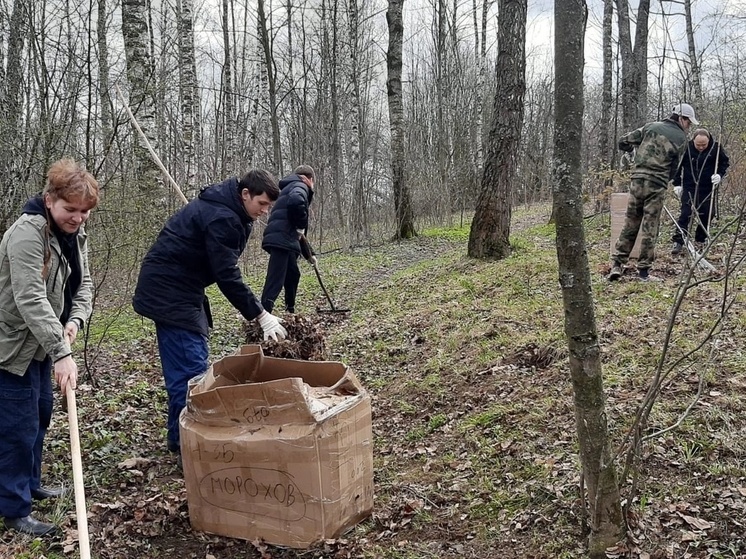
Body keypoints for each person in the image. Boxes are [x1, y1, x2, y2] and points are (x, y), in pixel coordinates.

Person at [132, 170, 287, 458]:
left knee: (192, 368)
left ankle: (180, 439)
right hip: (169, 290)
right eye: (262, 204)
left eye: (269, 207)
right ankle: (188, 449)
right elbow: (226, 273)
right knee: (191, 373)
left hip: (182, 286)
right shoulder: (223, 217)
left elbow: (221, 262)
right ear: (245, 195)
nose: (265, 212)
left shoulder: (229, 210)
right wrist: (259, 314)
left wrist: (249, 307)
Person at [0, 159, 99, 536]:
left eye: (85, 211)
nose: (78, 218)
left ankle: (31, 483)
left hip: (43, 344)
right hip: (11, 347)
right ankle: (14, 508)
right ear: (49, 200)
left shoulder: (75, 235)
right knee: (16, 428)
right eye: (70, 209)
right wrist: (63, 353)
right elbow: (30, 298)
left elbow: (84, 284)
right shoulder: (29, 233)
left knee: (39, 416)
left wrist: (73, 322)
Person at [608, 103, 696, 282]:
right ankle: (643, 272)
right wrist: (667, 180)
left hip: (637, 180)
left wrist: (632, 153)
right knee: (650, 225)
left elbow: (623, 141)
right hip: (657, 183)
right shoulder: (680, 138)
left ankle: (617, 264)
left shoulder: (650, 127)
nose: (689, 127)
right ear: (682, 118)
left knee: (631, 221)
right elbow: (674, 168)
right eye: (689, 122)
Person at [260, 165, 316, 314]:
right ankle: (262, 315)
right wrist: (300, 225)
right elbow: (296, 203)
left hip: (284, 238)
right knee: (275, 280)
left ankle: (289, 311)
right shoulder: (300, 186)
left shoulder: (291, 186)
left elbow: (298, 233)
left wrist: (309, 254)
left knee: (292, 274)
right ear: (309, 179)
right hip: (281, 239)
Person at [671, 128, 730, 254]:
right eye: (698, 145)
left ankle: (700, 239)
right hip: (689, 186)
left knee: (709, 213)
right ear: (693, 141)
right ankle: (679, 240)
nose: (701, 147)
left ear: (709, 141)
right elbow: (678, 165)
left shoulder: (716, 148)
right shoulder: (686, 148)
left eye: (704, 145)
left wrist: (719, 175)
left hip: (707, 187)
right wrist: (676, 184)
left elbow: (724, 163)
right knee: (685, 213)